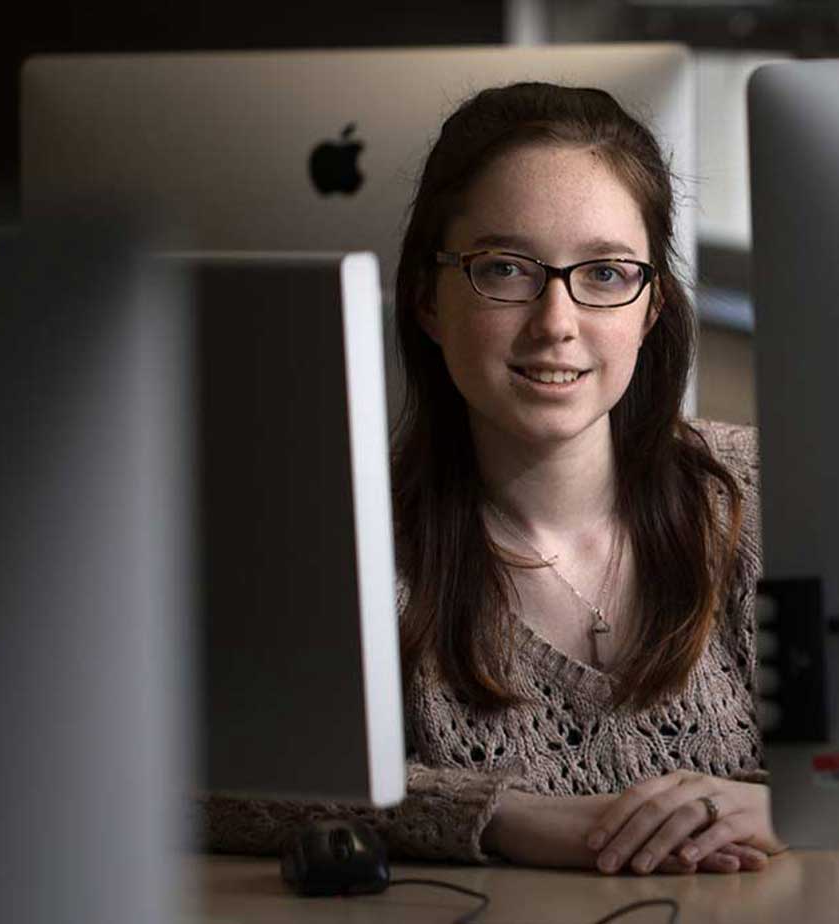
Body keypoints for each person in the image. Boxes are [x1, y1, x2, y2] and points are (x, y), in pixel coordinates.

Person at [205, 82, 785, 875]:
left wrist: (789, 804)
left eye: (608, 273)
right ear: (428, 300)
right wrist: (502, 814)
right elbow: (208, 783)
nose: (556, 323)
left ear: (651, 310)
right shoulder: (347, 544)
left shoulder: (760, 493)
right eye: (505, 269)